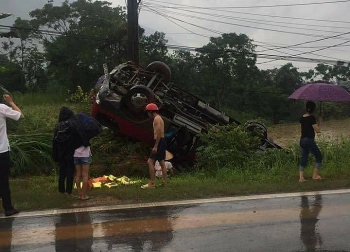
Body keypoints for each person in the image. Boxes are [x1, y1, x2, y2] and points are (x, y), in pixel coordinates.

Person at [0, 94, 24, 216]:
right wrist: (11, 102)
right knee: (3, 181)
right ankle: (8, 208)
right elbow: (21, 116)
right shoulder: (1, 108)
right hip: (2, 151)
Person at [141, 103, 167, 189]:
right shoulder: (160, 118)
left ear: (151, 112)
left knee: (150, 161)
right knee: (162, 162)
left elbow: (159, 133)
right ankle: (165, 182)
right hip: (162, 141)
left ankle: (152, 183)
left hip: (159, 141)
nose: (148, 114)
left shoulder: (156, 119)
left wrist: (155, 146)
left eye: (148, 112)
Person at [53, 106, 75, 196]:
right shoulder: (71, 125)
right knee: (70, 172)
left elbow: (54, 141)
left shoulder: (57, 126)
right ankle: (69, 191)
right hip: (70, 152)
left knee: (62, 172)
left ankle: (61, 190)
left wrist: (55, 154)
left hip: (60, 152)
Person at [299, 101, 323, 182]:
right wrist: (320, 122)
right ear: (313, 109)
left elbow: (301, 130)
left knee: (304, 158)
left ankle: (301, 178)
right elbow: (318, 130)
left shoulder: (302, 118)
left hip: (302, 140)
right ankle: (315, 175)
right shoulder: (311, 118)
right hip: (309, 140)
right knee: (319, 157)